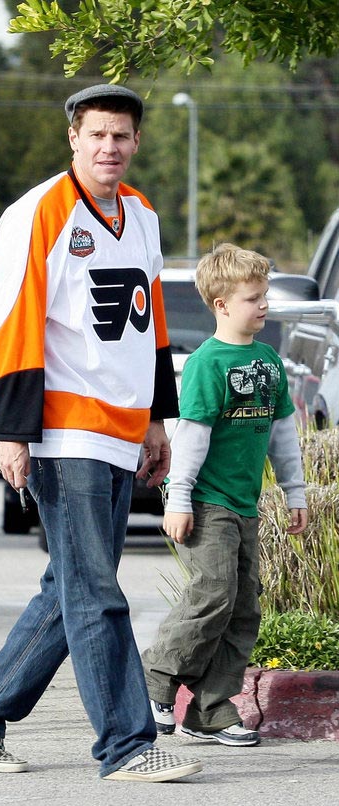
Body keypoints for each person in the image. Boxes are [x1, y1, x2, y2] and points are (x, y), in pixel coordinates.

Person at [0, 84, 203, 783]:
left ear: (136, 142)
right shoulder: (38, 212)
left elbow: (151, 326)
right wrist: (13, 430)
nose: (109, 147)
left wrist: (154, 419)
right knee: (95, 590)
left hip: (121, 428)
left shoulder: (142, 214)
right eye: (96, 135)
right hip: (65, 430)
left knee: (70, 588)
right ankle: (125, 742)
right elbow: (9, 324)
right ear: (73, 138)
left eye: (121, 136)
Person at [142, 243, 308, 746]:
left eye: (265, 297)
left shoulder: (268, 361)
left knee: (244, 608)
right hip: (206, 502)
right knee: (213, 592)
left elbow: (282, 433)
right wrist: (179, 500)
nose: (263, 307)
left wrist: (294, 492)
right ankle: (154, 680)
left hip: (244, 504)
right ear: (221, 304)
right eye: (253, 298)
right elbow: (190, 437)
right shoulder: (207, 364)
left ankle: (211, 710)